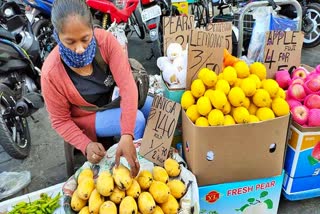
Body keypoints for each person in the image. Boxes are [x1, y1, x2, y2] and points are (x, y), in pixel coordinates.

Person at [41, 0, 152, 177]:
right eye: (70, 42)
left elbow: (128, 87)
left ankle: (149, 158)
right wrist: (85, 144)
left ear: (92, 29)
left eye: (85, 39)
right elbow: (60, 120)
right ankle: (131, 173)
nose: (79, 49)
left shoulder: (106, 42)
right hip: (87, 116)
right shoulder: (51, 73)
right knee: (137, 121)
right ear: (57, 36)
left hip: (112, 99)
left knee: (154, 108)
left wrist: (127, 134)